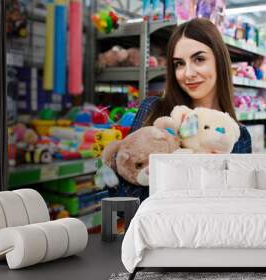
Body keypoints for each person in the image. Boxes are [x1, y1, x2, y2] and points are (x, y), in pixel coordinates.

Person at [108, 18, 252, 201]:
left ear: (219, 61)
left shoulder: (239, 136)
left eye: (199, 59)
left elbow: (241, 204)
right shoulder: (154, 110)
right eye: (179, 64)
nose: (188, 73)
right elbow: (124, 196)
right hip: (159, 226)